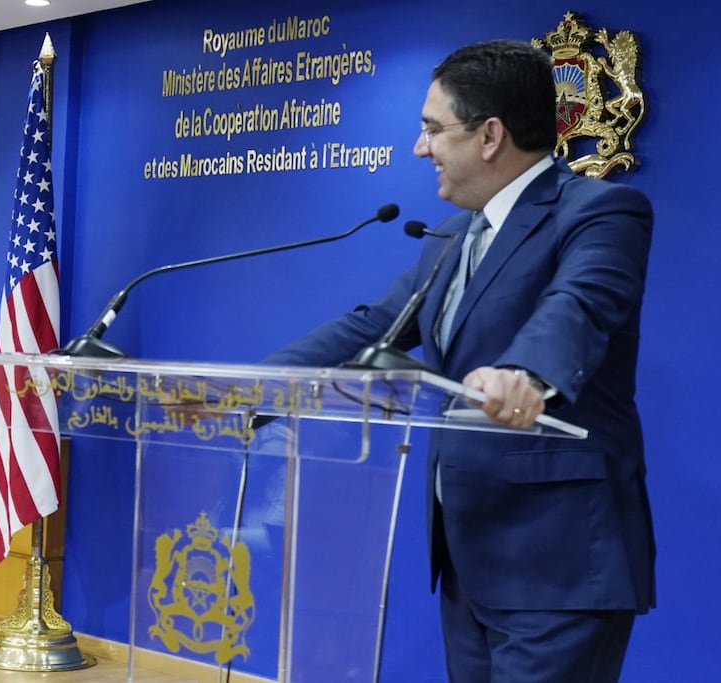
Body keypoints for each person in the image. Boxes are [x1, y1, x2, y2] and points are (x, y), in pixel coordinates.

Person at [265, 40, 655, 683]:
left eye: (432, 129)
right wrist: (252, 388)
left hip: (556, 564)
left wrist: (527, 375)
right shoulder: (453, 235)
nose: (420, 149)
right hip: (468, 556)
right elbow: (371, 328)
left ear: (490, 135)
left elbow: (579, 307)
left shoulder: (601, 211)